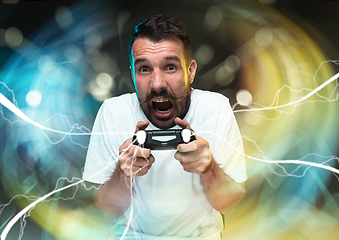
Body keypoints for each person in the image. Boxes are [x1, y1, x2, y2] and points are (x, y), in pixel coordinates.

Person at [83, 15, 247, 240]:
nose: (157, 83)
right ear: (132, 73)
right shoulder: (113, 111)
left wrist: (208, 169)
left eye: (170, 67)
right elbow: (107, 209)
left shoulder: (215, 107)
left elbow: (230, 204)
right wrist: (123, 174)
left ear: (190, 71)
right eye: (144, 69)